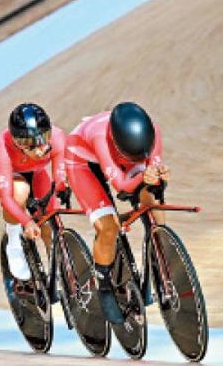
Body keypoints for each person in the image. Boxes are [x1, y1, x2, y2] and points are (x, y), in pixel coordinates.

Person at [65, 101, 169, 324]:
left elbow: (151, 171)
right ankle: (104, 286)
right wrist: (143, 177)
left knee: (150, 201)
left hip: (126, 153)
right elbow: (122, 186)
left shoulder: (154, 132)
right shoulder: (99, 138)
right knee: (109, 228)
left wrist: (157, 177)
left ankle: (161, 257)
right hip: (82, 162)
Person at [0, 103, 69, 280]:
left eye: (44, 137)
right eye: (31, 144)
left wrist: (62, 188)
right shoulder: (4, 147)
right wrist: (26, 222)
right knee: (20, 190)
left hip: (34, 170)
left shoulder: (57, 138)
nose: (41, 148)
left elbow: (58, 180)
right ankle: (13, 242)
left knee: (47, 216)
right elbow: (6, 198)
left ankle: (58, 270)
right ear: (17, 142)